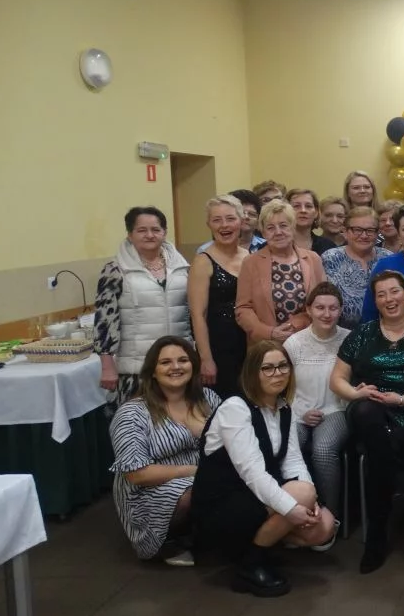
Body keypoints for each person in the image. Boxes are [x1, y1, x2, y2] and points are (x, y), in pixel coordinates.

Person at [191, 341, 336, 597]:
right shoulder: (236, 408)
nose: (277, 374)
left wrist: (311, 498)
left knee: (323, 526)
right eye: (267, 368)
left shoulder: (284, 408)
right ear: (252, 373)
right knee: (301, 496)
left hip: (255, 498)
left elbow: (293, 460)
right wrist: (293, 508)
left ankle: (254, 546)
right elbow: (253, 473)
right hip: (222, 502)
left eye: (282, 366)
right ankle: (251, 563)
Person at [329, 270, 404, 573]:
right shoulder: (363, 333)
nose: (388, 299)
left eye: (394, 292)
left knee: (380, 446)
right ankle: (400, 483)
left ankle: (377, 532)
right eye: (381, 294)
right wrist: (356, 394)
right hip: (370, 406)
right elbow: (337, 379)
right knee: (368, 416)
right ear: (375, 301)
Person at [110, 336, 221, 565]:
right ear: (152, 371)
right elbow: (136, 474)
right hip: (149, 489)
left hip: (206, 475)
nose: (176, 367)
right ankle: (168, 542)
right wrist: (193, 471)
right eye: (165, 362)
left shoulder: (208, 399)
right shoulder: (132, 414)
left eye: (183, 360)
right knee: (199, 489)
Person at [96, 206, 191, 407]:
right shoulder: (115, 270)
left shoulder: (183, 268)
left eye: (156, 230)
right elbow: (105, 319)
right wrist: (107, 365)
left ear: (164, 232)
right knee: (137, 422)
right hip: (136, 368)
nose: (150, 235)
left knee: (180, 419)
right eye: (142, 230)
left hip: (178, 365)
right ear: (130, 235)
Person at [285, 282, 351, 517]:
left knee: (323, 450)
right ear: (309, 310)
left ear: (340, 310)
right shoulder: (294, 343)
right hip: (298, 410)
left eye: (333, 308)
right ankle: (294, 513)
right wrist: (300, 411)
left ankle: (330, 517)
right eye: (320, 307)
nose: (327, 314)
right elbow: (283, 386)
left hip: (336, 409)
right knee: (288, 445)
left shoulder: (350, 339)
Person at [235, 201, 327, 345]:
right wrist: (269, 333)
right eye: (270, 228)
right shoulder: (250, 262)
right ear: (263, 232)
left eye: (283, 225)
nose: (278, 232)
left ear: (293, 227)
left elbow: (323, 301)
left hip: (307, 342)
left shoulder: (313, 259)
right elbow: (243, 308)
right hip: (265, 345)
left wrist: (296, 324)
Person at [189, 196, 250, 398]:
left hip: (249, 345)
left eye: (230, 218)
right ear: (209, 224)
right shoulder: (202, 261)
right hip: (218, 349)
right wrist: (206, 359)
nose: (224, 225)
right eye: (217, 220)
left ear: (241, 221)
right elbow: (197, 315)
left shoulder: (249, 257)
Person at [321, 206, 393, 330]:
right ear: (345, 231)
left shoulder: (388, 258)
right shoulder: (330, 258)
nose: (364, 235)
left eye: (370, 230)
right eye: (357, 230)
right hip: (340, 332)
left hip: (385, 330)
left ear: (377, 233)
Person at [198, 189, 266, 254]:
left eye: (252, 214)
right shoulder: (205, 251)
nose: (246, 217)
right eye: (242, 212)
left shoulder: (267, 245)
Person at [285, 189, 338, 256]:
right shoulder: (278, 244)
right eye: (296, 206)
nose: (303, 210)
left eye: (308, 206)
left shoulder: (328, 247)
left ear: (316, 212)